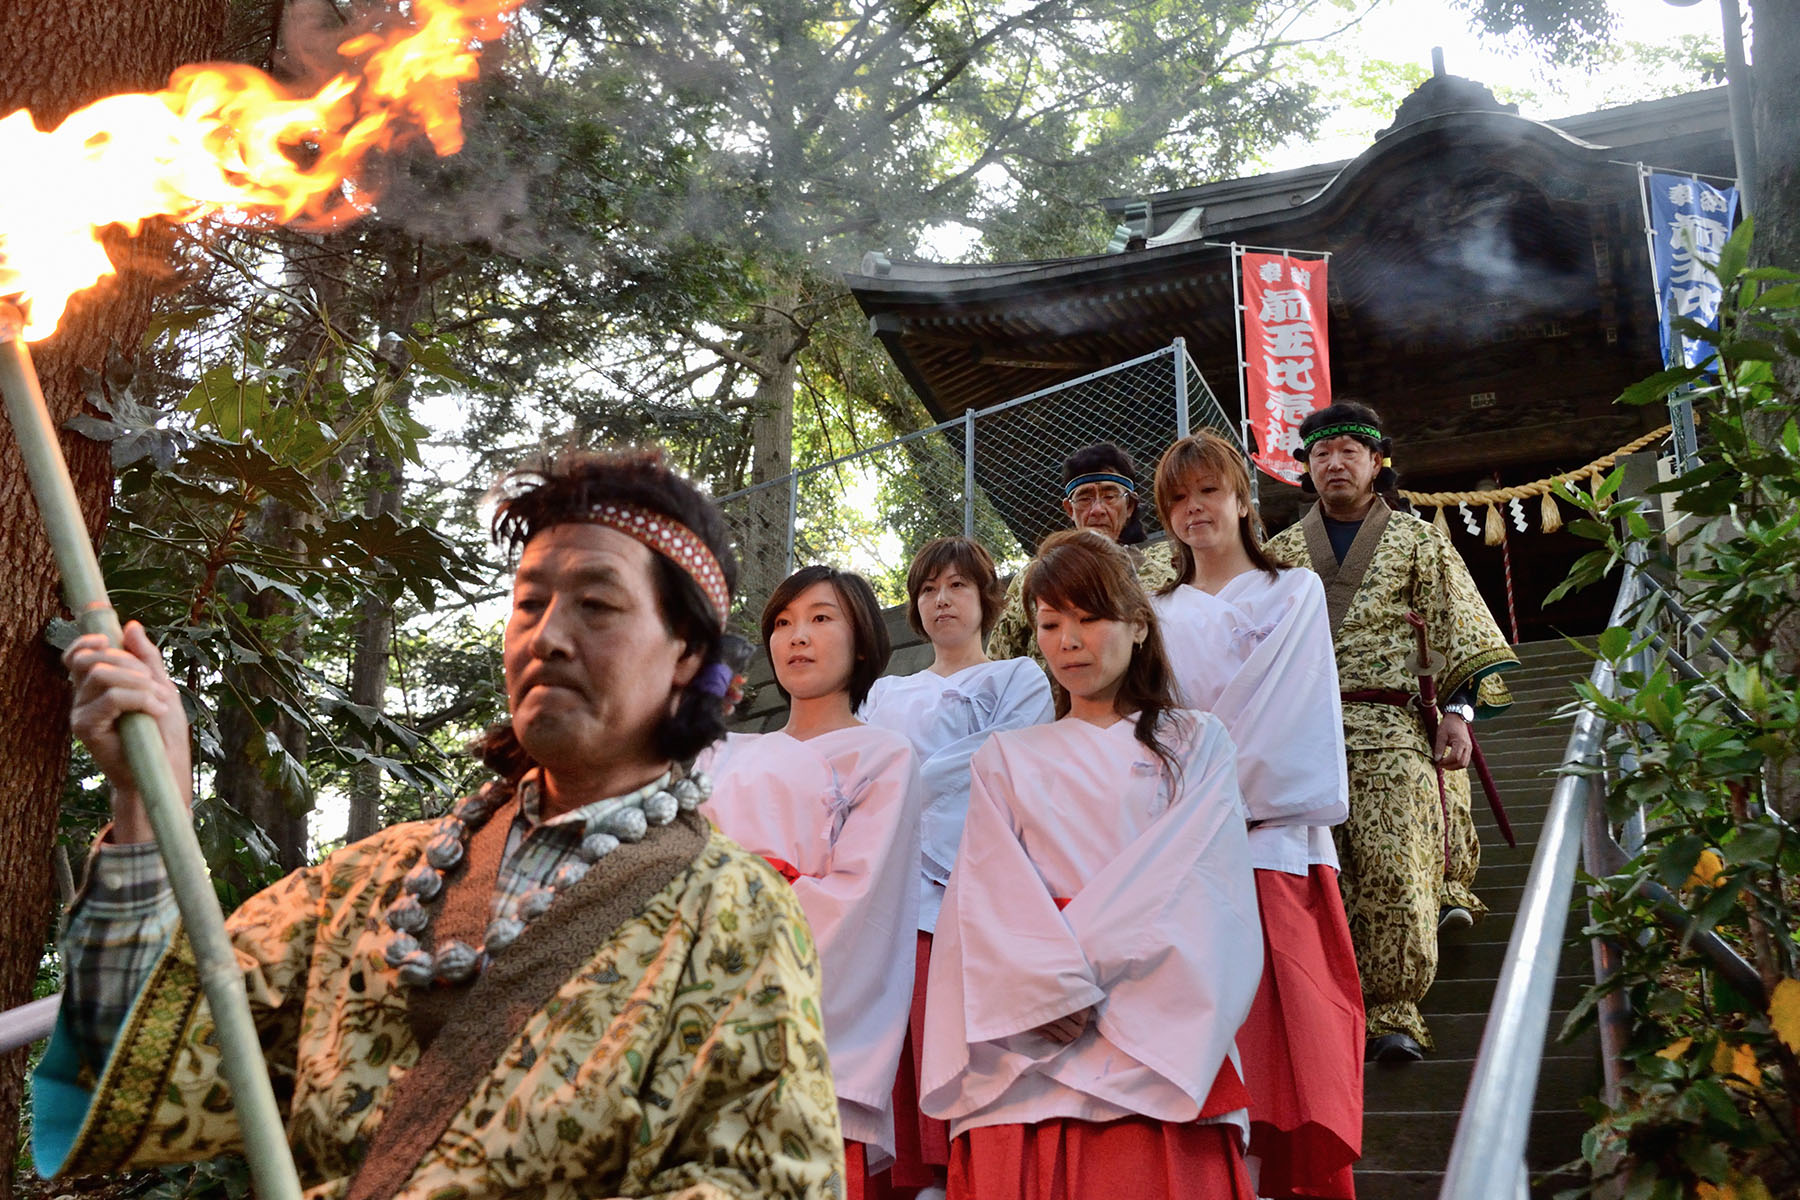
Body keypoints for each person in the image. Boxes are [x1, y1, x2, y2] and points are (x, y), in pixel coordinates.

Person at [35, 447, 845, 1199]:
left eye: (596, 604)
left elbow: (765, 1179)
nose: (548, 637)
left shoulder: (736, 915)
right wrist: (149, 803)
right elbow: (153, 1061)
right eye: (529, 602)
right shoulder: (373, 880)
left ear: (687, 657)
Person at [920, 529, 1263, 1200]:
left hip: (1151, 1024)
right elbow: (986, 897)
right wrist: (1046, 989)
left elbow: (1198, 886)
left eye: (1089, 616)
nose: (1068, 639)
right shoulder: (1005, 756)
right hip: (1029, 1049)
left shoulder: (1196, 742)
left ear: (1138, 625)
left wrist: (1060, 981)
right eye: (1050, 622)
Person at [1264, 403, 1520, 1063]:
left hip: (1392, 727)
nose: (1335, 462)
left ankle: (1393, 1010)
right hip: (1301, 734)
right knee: (1316, 875)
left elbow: (1455, 623)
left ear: (1378, 462)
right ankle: (1319, 1011)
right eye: (1322, 453)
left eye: (1350, 450)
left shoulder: (1417, 539)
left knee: (1391, 865)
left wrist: (1459, 714)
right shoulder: (1278, 555)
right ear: (1307, 468)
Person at [1149, 431, 1362, 1200]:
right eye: (1177, 499)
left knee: (1285, 1039)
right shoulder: (1152, 612)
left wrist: (1202, 783)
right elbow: (1149, 728)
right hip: (1178, 852)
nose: (1193, 509)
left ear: (1244, 500)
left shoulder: (1293, 592)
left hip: (1271, 843)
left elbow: (1288, 715)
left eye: (1208, 491)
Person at [698, 565, 924, 1200]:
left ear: (862, 641)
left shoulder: (884, 753)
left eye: (821, 618)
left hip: (790, 1014)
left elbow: (859, 901)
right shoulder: (718, 752)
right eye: (782, 623)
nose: (797, 635)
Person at [859, 537, 1054, 1197]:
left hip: (969, 882)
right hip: (893, 886)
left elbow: (999, 764)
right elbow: (856, 770)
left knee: (960, 1030)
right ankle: (915, 1169)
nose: (941, 600)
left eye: (958, 587)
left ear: (987, 601)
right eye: (929, 588)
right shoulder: (885, 693)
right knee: (903, 1027)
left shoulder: (1016, 678)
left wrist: (899, 779)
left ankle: (967, 1169)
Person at [986, 442, 1177, 669]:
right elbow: (1000, 661)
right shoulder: (1034, 577)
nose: (1097, 510)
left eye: (1109, 496)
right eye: (1085, 498)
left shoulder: (1164, 570)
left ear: (1129, 507)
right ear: (1069, 509)